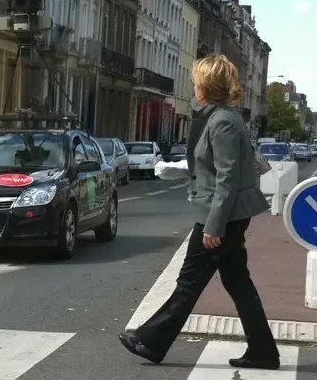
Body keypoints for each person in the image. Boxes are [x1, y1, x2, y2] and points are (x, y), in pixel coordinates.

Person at [118, 54, 280, 370]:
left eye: (196, 81)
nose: (193, 87)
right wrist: (182, 170)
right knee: (237, 281)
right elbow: (213, 168)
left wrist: (213, 226)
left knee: (190, 280)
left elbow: (228, 178)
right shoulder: (219, 117)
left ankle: (151, 340)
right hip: (226, 214)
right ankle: (263, 351)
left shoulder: (222, 122)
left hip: (223, 216)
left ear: (205, 85)